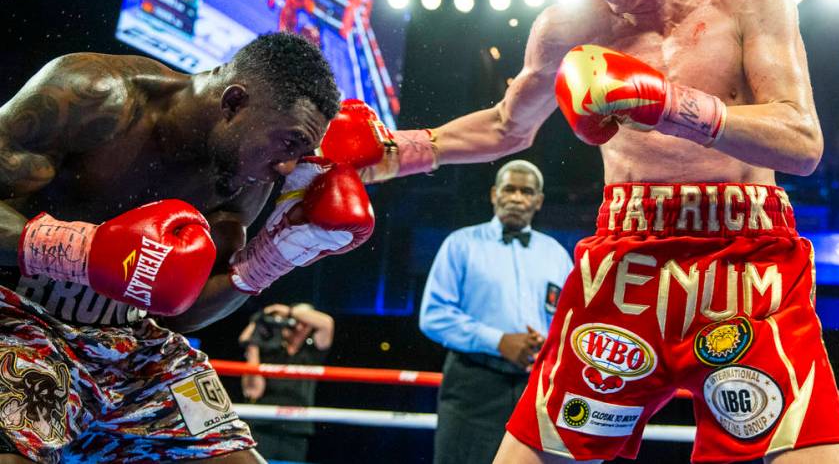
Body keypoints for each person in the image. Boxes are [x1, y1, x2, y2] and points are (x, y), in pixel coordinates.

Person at [319, 0, 839, 464]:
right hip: (626, 266)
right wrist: (397, 151)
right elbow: (506, 126)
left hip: (748, 260)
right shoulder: (568, 28)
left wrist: (668, 104)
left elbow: (801, 141)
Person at [0, 33, 376, 463]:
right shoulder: (96, 95)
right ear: (234, 102)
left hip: (133, 344)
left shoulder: (244, 179)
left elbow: (181, 312)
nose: (286, 167)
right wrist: (80, 249)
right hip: (16, 314)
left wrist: (270, 260)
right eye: (288, 143)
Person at [420, 160, 573, 464]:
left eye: (526, 191)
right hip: (474, 381)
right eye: (509, 189)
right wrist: (498, 340)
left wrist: (548, 344)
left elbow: (568, 320)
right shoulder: (461, 244)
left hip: (536, 385)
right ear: (494, 194)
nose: (517, 198)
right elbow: (434, 315)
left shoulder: (555, 253)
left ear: (538, 200)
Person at [239, 303, 334, 463]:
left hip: (296, 430)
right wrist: (261, 320)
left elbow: (327, 323)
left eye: (303, 321)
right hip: (262, 425)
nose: (297, 326)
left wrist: (289, 311)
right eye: (292, 321)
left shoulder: (312, 353)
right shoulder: (269, 350)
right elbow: (253, 391)